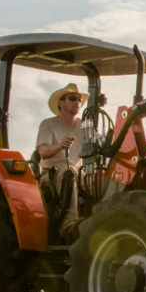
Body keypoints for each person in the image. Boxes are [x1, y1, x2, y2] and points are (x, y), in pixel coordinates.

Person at [37, 83, 89, 232]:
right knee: (69, 172)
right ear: (60, 103)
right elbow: (44, 152)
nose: (77, 102)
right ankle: (69, 225)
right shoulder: (48, 124)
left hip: (78, 173)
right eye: (72, 98)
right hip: (51, 173)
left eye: (79, 99)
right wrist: (60, 145)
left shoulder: (84, 126)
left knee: (99, 179)